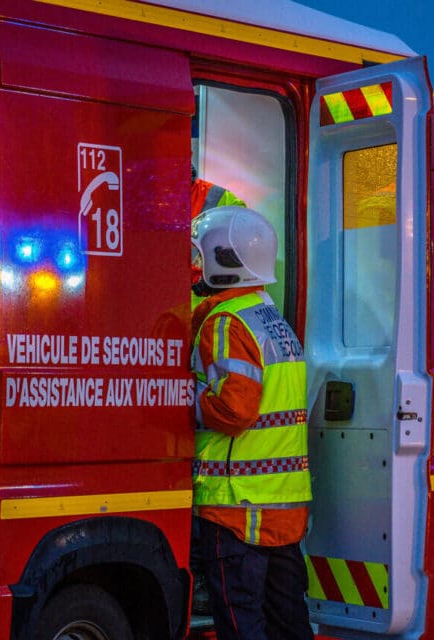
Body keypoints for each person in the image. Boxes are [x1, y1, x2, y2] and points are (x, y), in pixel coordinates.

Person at [190, 206, 314, 640]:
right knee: (287, 623)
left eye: (200, 254)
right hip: (282, 509)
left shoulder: (225, 321)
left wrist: (182, 398)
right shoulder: (270, 319)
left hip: (236, 510)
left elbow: (234, 409)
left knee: (242, 625)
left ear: (223, 260)